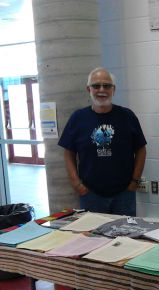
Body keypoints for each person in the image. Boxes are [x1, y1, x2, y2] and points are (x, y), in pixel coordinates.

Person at [58, 67, 147, 216]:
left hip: (124, 194)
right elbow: (68, 152)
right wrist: (76, 184)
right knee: (94, 237)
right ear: (88, 89)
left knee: (125, 236)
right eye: (96, 86)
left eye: (107, 86)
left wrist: (134, 182)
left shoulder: (127, 116)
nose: (101, 90)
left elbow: (141, 149)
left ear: (114, 89)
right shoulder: (78, 118)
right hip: (91, 194)